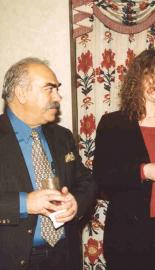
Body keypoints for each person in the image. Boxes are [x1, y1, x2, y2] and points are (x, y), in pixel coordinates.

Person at [93, 49, 155, 270]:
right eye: (152, 74)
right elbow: (101, 178)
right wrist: (144, 171)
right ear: (137, 78)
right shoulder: (112, 123)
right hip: (129, 235)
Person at [0, 57, 97, 270]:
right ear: (21, 93)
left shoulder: (62, 136)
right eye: (49, 89)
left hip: (64, 256)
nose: (58, 97)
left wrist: (76, 202)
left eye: (57, 89)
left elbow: (86, 181)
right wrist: (25, 204)